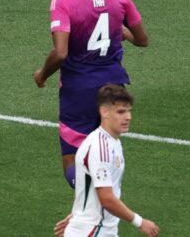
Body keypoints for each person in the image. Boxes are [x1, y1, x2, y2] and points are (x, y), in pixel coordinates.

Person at [34, 0, 148, 188]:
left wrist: (42, 74)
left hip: (79, 91)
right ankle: (105, 203)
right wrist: (119, 28)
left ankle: (93, 204)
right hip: (114, 87)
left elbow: (60, 52)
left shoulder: (63, 1)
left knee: (72, 160)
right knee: (105, 156)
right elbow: (142, 40)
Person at [53, 85, 160, 237]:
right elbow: (107, 198)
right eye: (121, 112)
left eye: (129, 110)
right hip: (93, 231)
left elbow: (90, 187)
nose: (128, 117)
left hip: (97, 230)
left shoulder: (112, 142)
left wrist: (79, 215)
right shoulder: (100, 147)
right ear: (104, 112)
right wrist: (140, 222)